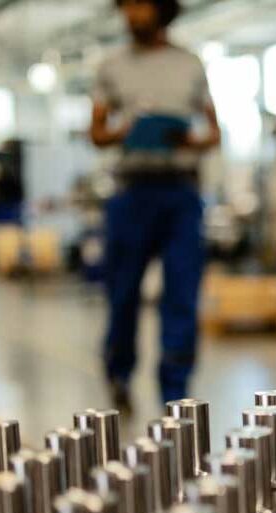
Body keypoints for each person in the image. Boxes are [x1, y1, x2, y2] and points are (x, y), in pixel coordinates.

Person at [90, 0, 221, 409]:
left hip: (181, 193)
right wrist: (127, 130)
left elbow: (213, 132)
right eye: (126, 6)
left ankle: (175, 389)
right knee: (123, 292)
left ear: (162, 9)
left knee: (181, 292)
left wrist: (188, 140)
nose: (133, 14)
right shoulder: (110, 66)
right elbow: (96, 133)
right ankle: (119, 373)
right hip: (131, 193)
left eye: (140, 4)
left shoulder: (190, 65)